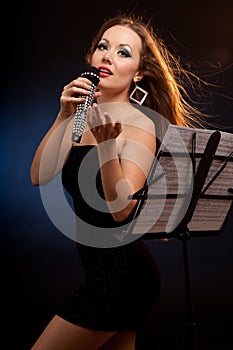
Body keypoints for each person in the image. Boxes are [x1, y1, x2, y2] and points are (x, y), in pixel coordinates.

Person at [30, 13, 205, 350]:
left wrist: (108, 148)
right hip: (103, 276)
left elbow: (121, 211)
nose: (108, 56)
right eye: (103, 47)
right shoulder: (78, 118)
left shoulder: (139, 125)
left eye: (123, 52)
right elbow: (39, 176)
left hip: (123, 278)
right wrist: (63, 115)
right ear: (91, 58)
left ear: (139, 72)